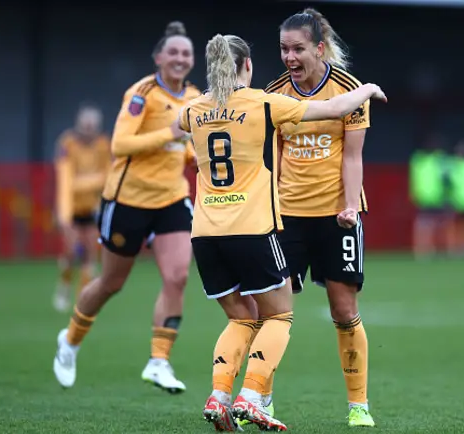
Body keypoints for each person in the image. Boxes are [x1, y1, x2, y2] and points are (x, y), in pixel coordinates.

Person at [182, 34, 386, 432]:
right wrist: (369, 88)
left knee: (242, 319)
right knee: (279, 317)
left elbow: (180, 123)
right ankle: (253, 397)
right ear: (248, 67)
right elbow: (333, 106)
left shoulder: (193, 110)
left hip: (206, 233)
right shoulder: (264, 101)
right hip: (256, 227)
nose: (289, 57)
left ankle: (220, 395)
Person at [53, 21, 200, 394]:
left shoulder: (196, 97)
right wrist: (171, 133)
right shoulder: (141, 93)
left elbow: (182, 146)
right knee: (110, 283)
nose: (180, 59)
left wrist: (193, 153)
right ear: (159, 58)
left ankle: (159, 361)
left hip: (172, 199)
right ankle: (69, 342)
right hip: (128, 200)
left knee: (178, 276)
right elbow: (120, 144)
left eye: (186, 53)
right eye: (174, 52)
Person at [261, 8, 378, 427]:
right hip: (286, 217)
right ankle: (262, 401)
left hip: (335, 216)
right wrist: (268, 209)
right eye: (283, 49)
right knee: (272, 313)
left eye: (298, 48)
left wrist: (349, 206)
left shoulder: (349, 90)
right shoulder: (274, 92)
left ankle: (358, 405)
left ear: (319, 47)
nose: (290, 57)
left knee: (344, 311)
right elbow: (271, 157)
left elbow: (352, 154)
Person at [53, 103, 111, 313]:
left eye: (92, 126)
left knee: (90, 254)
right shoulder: (67, 143)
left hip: (93, 207)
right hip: (72, 208)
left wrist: (86, 182)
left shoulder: (104, 144)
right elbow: (65, 180)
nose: (89, 130)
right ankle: (65, 285)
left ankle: (82, 298)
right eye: (86, 125)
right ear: (79, 124)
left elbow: (108, 175)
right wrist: (63, 214)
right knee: (70, 252)